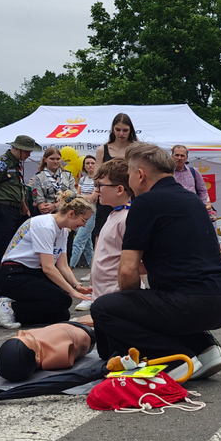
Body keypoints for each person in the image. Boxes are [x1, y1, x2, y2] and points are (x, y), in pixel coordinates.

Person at [92, 142, 221, 380]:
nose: (129, 181)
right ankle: (205, 349)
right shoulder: (193, 200)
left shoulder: (144, 203)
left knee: (104, 308)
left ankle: (173, 358)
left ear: (140, 175)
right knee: (159, 300)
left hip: (191, 304)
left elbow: (127, 270)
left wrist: (129, 307)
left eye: (129, 174)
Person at [0, 192, 94, 329]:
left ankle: (18, 305)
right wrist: (72, 291)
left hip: (32, 272)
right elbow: (48, 268)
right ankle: (9, 307)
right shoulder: (45, 225)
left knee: (61, 314)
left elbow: (63, 265)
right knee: (62, 300)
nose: (84, 225)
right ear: (71, 214)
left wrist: (77, 285)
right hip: (12, 274)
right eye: (84, 220)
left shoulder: (63, 230)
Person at [0, 135, 42, 296]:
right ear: (17, 148)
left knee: (11, 248)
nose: (29, 154)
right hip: (2, 208)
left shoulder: (15, 164)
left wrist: (23, 206)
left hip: (13, 209)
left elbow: (17, 188)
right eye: (27, 151)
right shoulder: (2, 163)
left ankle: (3, 286)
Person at [84, 158, 133, 312]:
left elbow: (134, 265)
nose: (96, 190)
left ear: (119, 190)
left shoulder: (126, 219)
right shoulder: (114, 214)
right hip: (104, 295)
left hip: (115, 297)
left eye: (99, 185)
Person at [0, 321, 95, 382]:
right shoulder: (56, 352)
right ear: (37, 357)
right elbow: (68, 356)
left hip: (61, 324)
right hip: (85, 332)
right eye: (27, 339)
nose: (21, 332)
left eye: (17, 336)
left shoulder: (28, 337)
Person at [92, 113, 137, 244]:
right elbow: (96, 177)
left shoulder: (135, 149)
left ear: (130, 130)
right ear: (112, 129)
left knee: (130, 229)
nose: (121, 133)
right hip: (109, 196)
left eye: (125, 130)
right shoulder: (103, 149)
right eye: (118, 129)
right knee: (101, 230)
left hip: (130, 194)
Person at [69, 155, 98, 270]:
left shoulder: (98, 180)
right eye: (87, 163)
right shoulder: (82, 179)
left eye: (92, 163)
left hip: (91, 213)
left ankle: (69, 268)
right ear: (84, 166)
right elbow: (79, 195)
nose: (90, 165)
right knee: (86, 244)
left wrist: (80, 197)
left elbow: (93, 198)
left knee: (78, 241)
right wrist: (82, 197)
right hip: (81, 211)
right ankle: (93, 269)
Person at [30, 147, 75, 215]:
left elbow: (73, 195)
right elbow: (39, 201)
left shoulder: (68, 175)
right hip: (46, 214)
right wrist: (46, 208)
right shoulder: (37, 177)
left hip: (66, 212)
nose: (55, 161)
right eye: (52, 159)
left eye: (58, 159)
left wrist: (56, 206)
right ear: (45, 159)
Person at [171, 145, 211, 209]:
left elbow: (202, 190)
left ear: (186, 158)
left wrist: (202, 206)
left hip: (193, 207)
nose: (179, 158)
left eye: (182, 156)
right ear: (172, 156)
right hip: (175, 208)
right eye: (177, 155)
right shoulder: (167, 173)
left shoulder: (193, 171)